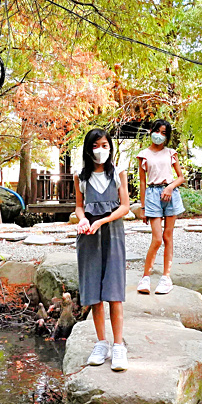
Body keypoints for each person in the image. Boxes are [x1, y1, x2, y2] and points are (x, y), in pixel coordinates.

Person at [74, 128, 131, 371]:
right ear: (89, 149)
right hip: (88, 236)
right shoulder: (80, 175)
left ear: (110, 147)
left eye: (105, 145)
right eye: (96, 146)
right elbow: (78, 206)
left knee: (114, 290)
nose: (101, 150)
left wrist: (101, 220)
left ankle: (118, 346)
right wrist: (83, 219)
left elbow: (125, 207)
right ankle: (101, 343)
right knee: (94, 291)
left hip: (112, 232)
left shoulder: (118, 172)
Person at [136, 119, 186, 295]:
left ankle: (166, 277)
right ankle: (145, 277)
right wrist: (142, 207)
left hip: (170, 194)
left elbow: (180, 177)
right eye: (158, 131)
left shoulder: (171, 153)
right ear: (151, 131)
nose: (160, 136)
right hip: (152, 195)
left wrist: (170, 187)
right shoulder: (143, 155)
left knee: (168, 236)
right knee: (157, 238)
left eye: (164, 133)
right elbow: (142, 182)